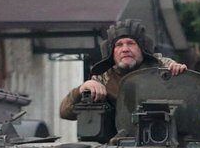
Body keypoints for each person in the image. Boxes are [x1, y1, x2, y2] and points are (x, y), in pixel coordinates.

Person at [59, 19, 188, 120]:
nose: (125, 49)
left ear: (142, 48)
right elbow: (65, 112)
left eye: (131, 43)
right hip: (116, 145)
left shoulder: (162, 67)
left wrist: (179, 74)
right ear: (112, 52)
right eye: (119, 45)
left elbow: (188, 101)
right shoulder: (104, 78)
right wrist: (83, 89)